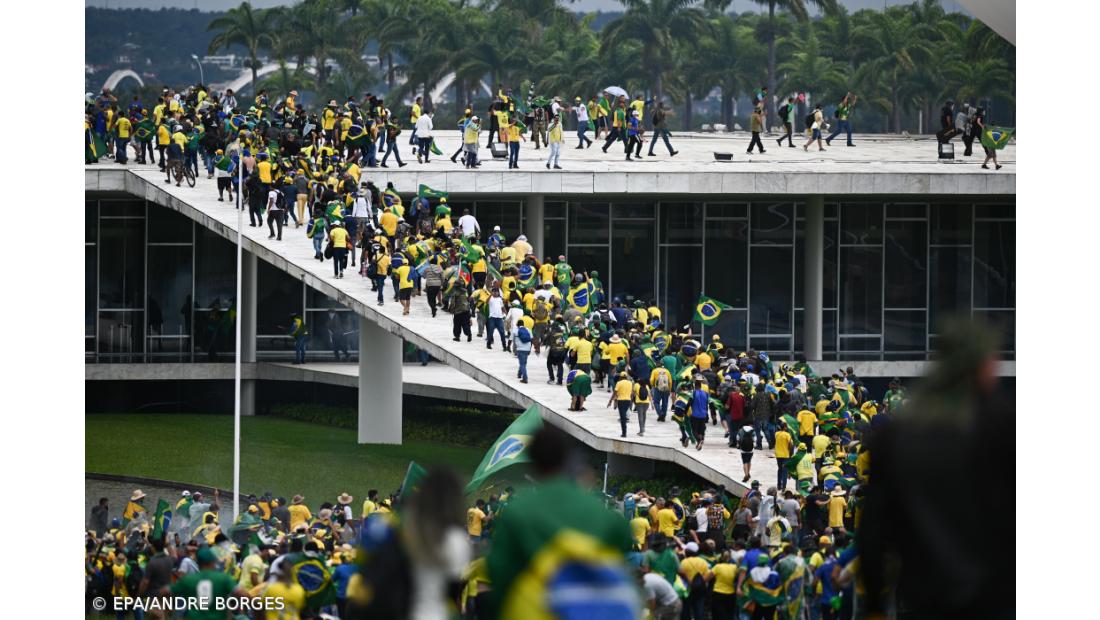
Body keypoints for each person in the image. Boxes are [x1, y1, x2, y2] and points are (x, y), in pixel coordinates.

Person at [488, 427, 636, 617]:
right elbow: (625, 543)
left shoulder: (517, 511)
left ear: (532, 462)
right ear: (569, 460)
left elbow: (500, 574)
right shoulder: (599, 511)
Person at [164, 546, 246, 615]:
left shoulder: (189, 580)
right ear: (212, 562)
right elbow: (242, 594)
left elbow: (166, 592)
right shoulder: (222, 579)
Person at [607, 371, 633, 438]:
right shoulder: (630, 383)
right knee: (624, 415)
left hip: (621, 401)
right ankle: (624, 431)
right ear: (626, 377)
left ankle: (624, 433)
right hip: (628, 401)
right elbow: (632, 393)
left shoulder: (619, 383)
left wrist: (610, 401)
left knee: (622, 417)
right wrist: (631, 403)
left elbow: (615, 393)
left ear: (620, 377)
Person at [774, 420, 794, 490]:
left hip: (778, 454)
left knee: (780, 469)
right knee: (785, 471)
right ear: (785, 427)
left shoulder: (776, 434)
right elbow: (791, 444)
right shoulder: (787, 435)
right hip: (785, 454)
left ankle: (779, 485)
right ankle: (784, 486)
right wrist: (791, 453)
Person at [513, 318, 533, 383]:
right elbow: (531, 339)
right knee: (523, 363)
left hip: (520, 349)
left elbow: (511, 340)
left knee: (522, 363)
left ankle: (525, 378)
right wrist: (530, 349)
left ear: (517, 325)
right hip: (527, 349)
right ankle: (519, 374)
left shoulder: (515, 330)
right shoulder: (528, 330)